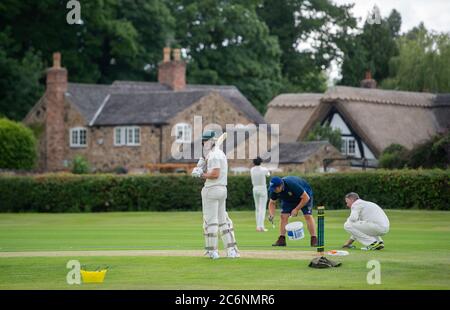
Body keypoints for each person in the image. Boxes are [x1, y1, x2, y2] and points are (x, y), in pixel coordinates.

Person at [191, 130, 239, 259]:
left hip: (212, 189)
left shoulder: (214, 155)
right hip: (222, 190)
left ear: (210, 141)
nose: (203, 144)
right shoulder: (217, 154)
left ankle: (212, 251)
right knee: (223, 221)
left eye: (204, 141)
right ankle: (231, 251)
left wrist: (201, 174)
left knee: (210, 222)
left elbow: (215, 174)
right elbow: (212, 170)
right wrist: (201, 165)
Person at [268, 176, 317, 247]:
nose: (273, 190)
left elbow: (306, 198)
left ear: (281, 185)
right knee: (283, 216)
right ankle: (281, 240)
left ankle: (314, 239)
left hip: (305, 195)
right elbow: (272, 202)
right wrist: (272, 214)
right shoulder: (274, 190)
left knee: (308, 215)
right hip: (289, 199)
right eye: (272, 188)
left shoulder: (291, 184)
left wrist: (296, 209)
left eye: (275, 188)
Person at [250, 157, 270, 232]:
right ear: (260, 162)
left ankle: (259, 226)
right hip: (262, 188)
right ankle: (260, 226)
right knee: (262, 208)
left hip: (255, 188)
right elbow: (268, 174)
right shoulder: (263, 169)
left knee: (257, 208)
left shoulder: (252, 170)